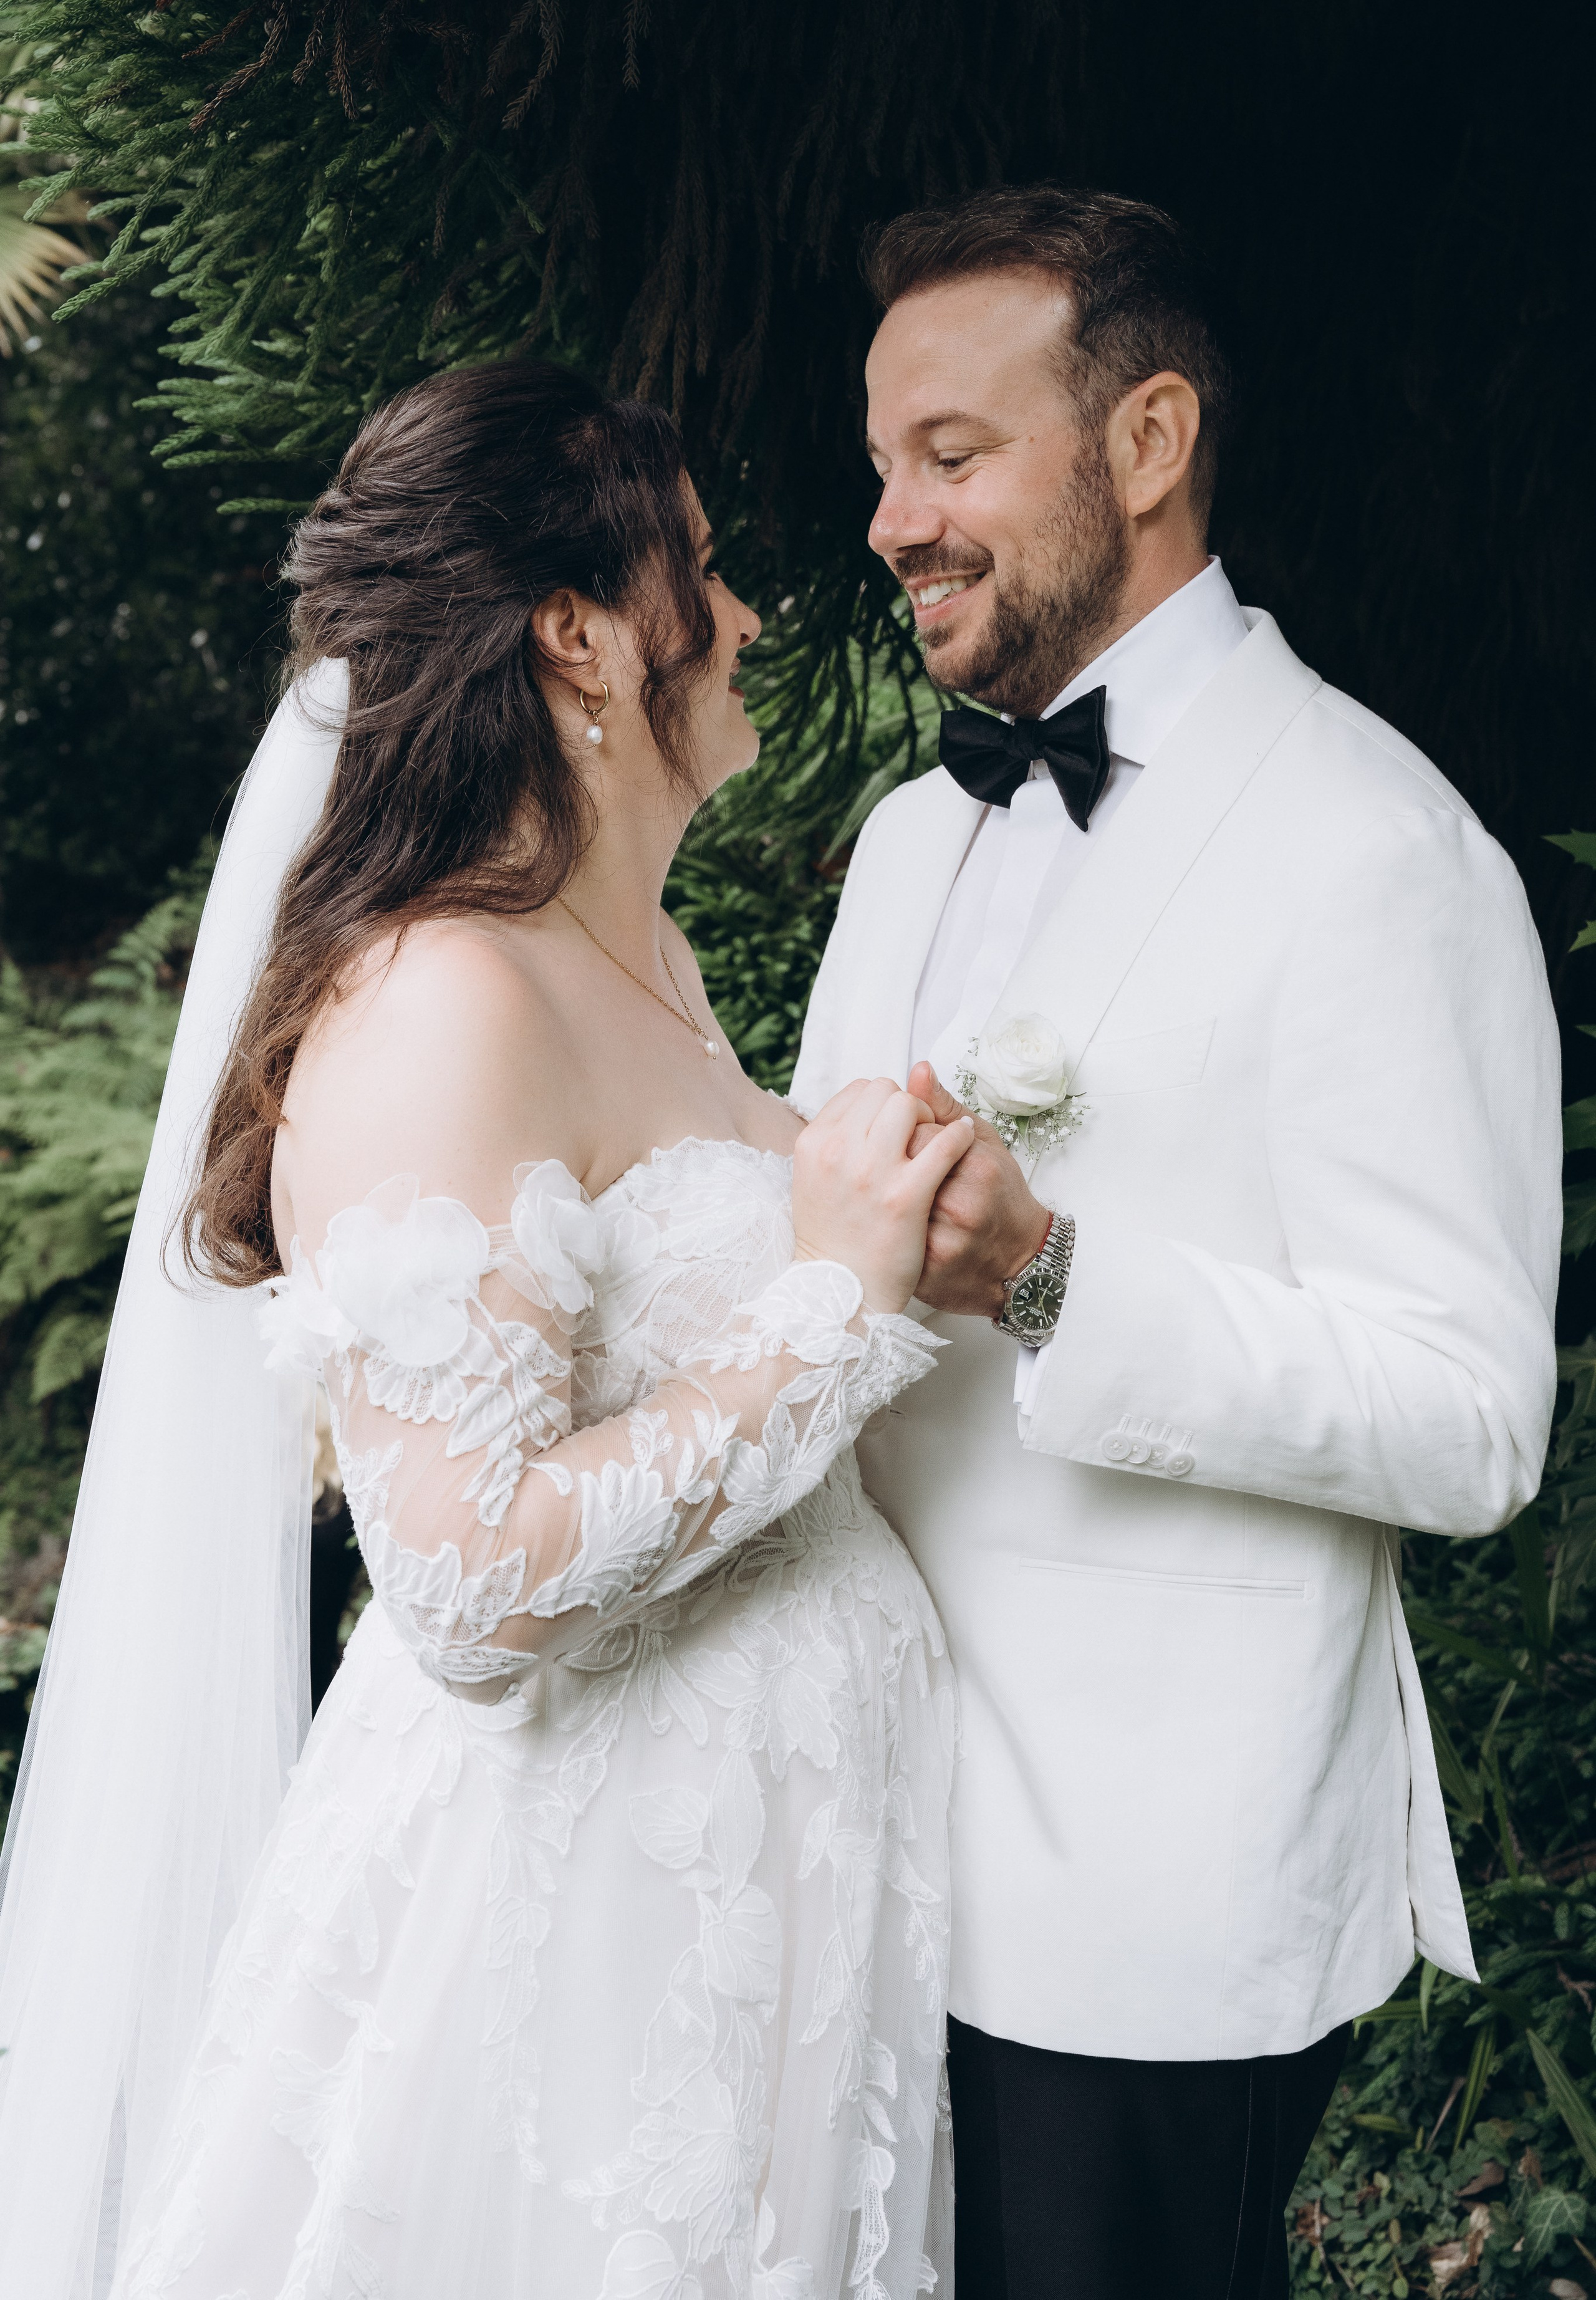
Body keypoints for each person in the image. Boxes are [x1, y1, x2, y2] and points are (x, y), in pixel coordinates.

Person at [0, 362, 975, 2299]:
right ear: (587, 641)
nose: (757, 616)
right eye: (706, 569)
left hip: (762, 1910)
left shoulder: (644, 955)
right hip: (581, 1942)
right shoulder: (444, 997)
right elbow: (463, 1582)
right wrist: (838, 1300)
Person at [791, 185, 1564, 2298]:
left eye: (953, 457)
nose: (891, 523)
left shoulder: (1383, 853)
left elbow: (1471, 1414)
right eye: (885, 466)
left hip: (1149, 1905)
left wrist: (1056, 1277)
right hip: (844, 1841)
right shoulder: (904, 837)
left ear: (1147, 445)